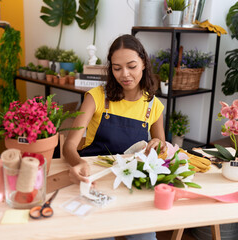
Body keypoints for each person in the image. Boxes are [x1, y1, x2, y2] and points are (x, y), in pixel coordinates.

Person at [63, 34, 166, 240]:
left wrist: (158, 144)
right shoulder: (96, 97)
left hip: (131, 185)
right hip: (95, 182)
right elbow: (69, 146)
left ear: (144, 64)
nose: (125, 74)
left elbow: (161, 148)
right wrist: (78, 164)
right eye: (117, 68)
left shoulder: (153, 105)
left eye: (131, 66)